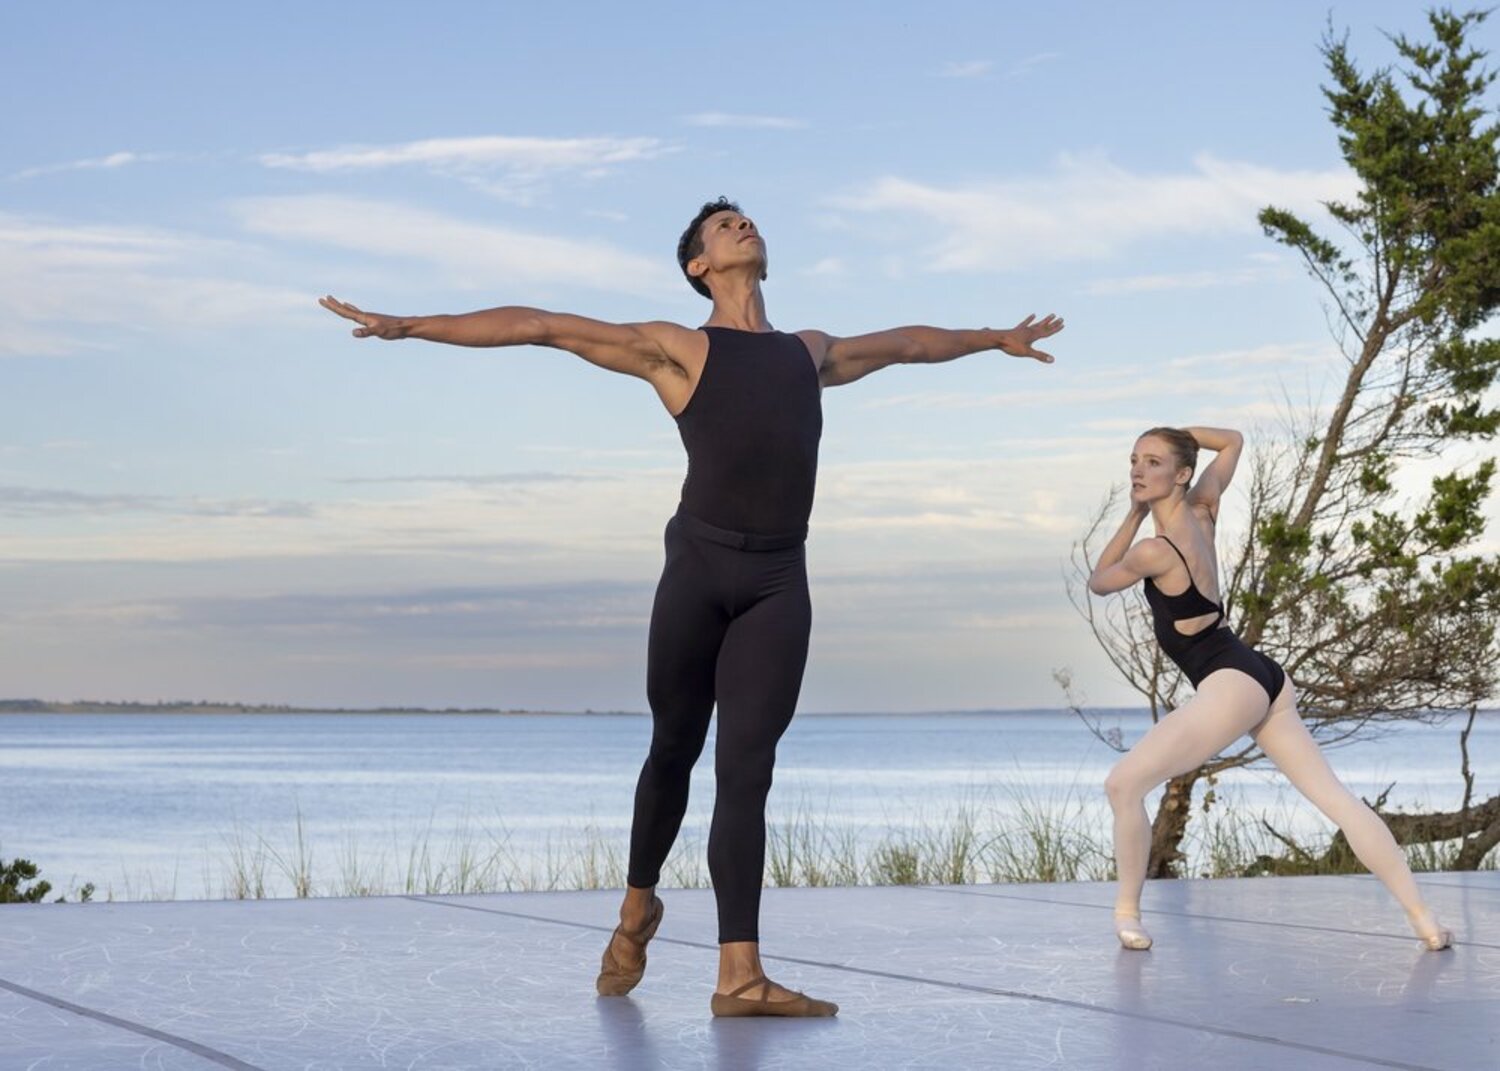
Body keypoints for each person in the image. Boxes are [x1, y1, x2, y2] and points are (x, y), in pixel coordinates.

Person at [323, 196, 1063, 1015]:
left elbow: (910, 345)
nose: (742, 226)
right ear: (697, 267)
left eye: (746, 220)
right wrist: (412, 325)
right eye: (723, 226)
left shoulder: (806, 353)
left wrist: (994, 338)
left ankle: (738, 976)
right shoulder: (677, 349)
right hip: (699, 570)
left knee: (748, 768)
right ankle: (637, 906)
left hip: (780, 582)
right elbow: (540, 325)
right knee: (673, 746)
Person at [1086, 425, 1453, 952]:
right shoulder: (1204, 510)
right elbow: (1232, 440)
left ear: (1181, 474)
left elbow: (1099, 580)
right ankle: (1425, 921)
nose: (1138, 471)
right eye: (1134, 460)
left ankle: (1128, 915)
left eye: (1153, 462)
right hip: (1264, 676)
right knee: (1338, 801)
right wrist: (1179, 440)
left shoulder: (1153, 550)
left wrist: (1133, 513)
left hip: (1231, 681)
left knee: (1123, 786)